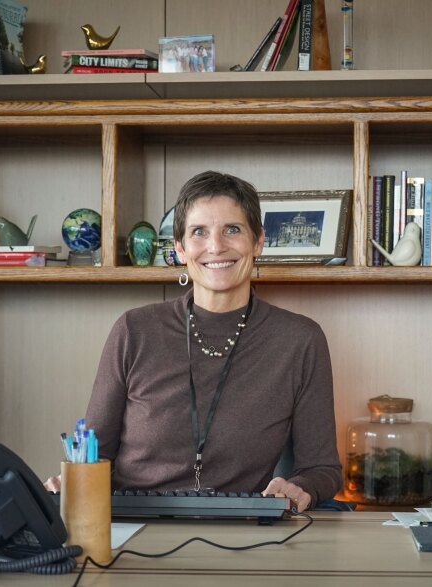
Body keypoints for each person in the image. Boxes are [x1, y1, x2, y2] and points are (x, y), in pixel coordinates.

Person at [49, 171, 341, 511]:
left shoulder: (300, 340)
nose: (216, 246)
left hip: (244, 530)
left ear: (258, 241)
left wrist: (300, 488)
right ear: (180, 248)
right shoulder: (134, 330)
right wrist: (69, 483)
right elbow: (95, 455)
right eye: (199, 232)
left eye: (233, 229)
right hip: (133, 522)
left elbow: (322, 469)